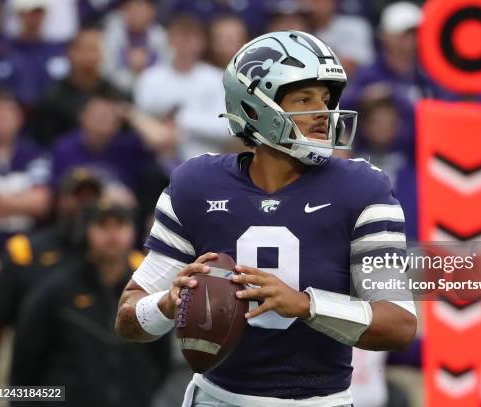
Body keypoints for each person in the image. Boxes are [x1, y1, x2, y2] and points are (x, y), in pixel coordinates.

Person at [115, 30, 417, 406]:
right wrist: (166, 305)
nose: (322, 112)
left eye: (326, 99)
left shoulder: (363, 188)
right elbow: (127, 318)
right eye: (304, 98)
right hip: (217, 398)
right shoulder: (196, 185)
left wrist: (306, 305)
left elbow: (400, 324)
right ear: (254, 109)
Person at [10, 200, 170, 407]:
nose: (112, 235)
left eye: (120, 224)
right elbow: (23, 369)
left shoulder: (147, 293)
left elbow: (161, 362)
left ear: (133, 231)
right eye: (103, 225)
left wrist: (138, 393)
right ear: (87, 231)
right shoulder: (54, 292)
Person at [0, 167, 103, 395]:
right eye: (76, 197)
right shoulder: (25, 252)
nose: (83, 205)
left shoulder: (110, 256)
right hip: (35, 379)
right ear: (58, 201)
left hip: (93, 382)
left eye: (91, 198)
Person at [134, 15, 227, 160]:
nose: (185, 43)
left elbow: (227, 128)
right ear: (169, 40)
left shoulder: (217, 79)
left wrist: (182, 121)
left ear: (202, 42)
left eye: (191, 37)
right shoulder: (150, 78)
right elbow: (140, 121)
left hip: (205, 162)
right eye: (180, 36)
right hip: (158, 163)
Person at [32, 27, 125, 147]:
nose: (91, 56)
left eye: (95, 49)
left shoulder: (115, 95)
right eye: (86, 49)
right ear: (70, 54)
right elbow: (44, 141)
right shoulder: (52, 98)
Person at [0, 91, 51, 258]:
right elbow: (31, 201)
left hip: (24, 252)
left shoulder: (35, 155)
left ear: (19, 119)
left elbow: (41, 203)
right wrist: (20, 201)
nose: (2, 119)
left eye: (8, 113)